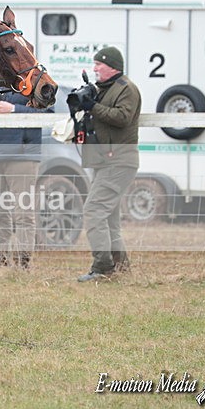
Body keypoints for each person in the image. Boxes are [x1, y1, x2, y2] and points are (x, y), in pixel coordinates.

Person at [77, 46, 141, 282]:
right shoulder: (105, 90)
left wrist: (92, 106)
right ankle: (120, 268)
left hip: (119, 161)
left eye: (98, 65)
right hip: (106, 161)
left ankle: (102, 268)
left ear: (112, 66)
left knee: (93, 211)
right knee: (109, 218)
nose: (94, 69)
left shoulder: (126, 89)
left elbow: (122, 118)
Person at [0, 91, 48, 269]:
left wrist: (14, 109)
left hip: (22, 158)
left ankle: (22, 264)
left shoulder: (33, 85)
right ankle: (0, 262)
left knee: (23, 213)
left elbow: (47, 115)